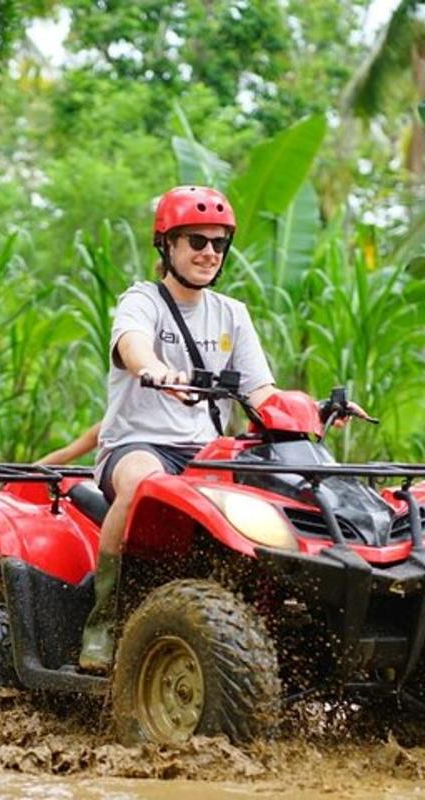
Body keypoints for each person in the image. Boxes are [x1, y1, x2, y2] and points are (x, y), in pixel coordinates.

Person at [78, 185, 281, 672]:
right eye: (195, 241)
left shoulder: (233, 314)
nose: (209, 253)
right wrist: (154, 367)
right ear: (166, 245)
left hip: (210, 456)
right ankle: (102, 620)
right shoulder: (141, 301)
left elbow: (261, 391)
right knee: (144, 485)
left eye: (218, 243)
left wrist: (306, 410)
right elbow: (132, 345)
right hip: (138, 445)